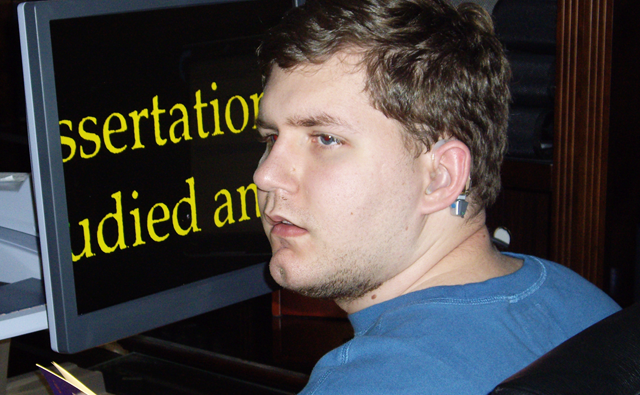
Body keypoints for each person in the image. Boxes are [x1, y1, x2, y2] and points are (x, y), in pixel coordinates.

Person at [252, 0, 620, 393]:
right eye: (271, 138)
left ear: (441, 177)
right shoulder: (578, 298)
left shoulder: (368, 382)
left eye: (326, 139)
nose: (266, 175)